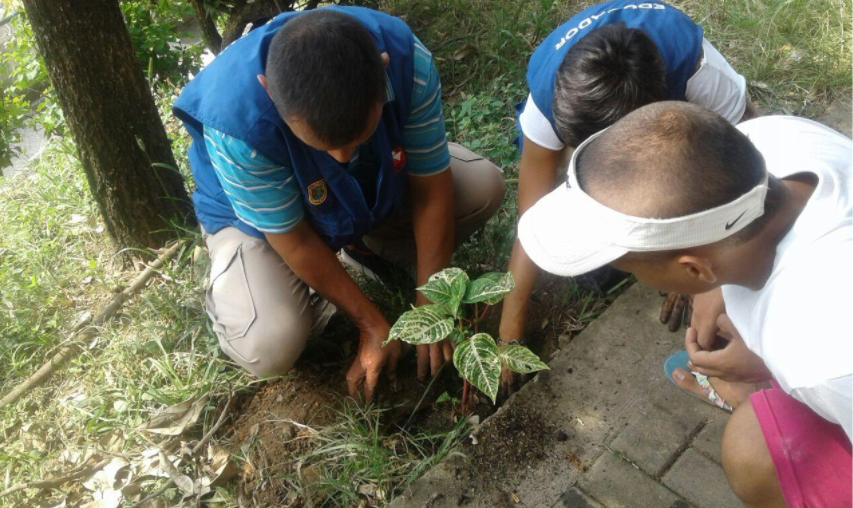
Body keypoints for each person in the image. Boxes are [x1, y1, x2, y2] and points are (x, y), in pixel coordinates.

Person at [519, 101, 852, 508]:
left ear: (694, 269)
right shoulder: (771, 139)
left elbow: (826, 354)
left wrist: (773, 365)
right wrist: (720, 292)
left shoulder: (820, 355)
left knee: (751, 453)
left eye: (632, 270)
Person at [173, 7, 506, 401]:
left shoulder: (405, 60)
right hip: (260, 222)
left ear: (381, 72)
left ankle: (365, 250)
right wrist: (371, 324)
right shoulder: (237, 125)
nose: (340, 158)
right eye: (323, 143)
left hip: (367, 185)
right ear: (267, 89)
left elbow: (432, 189)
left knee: (482, 187)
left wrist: (430, 306)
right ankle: (249, 284)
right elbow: (293, 238)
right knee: (267, 344)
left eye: (356, 136)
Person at [499, 0, 756, 381]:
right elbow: (530, 219)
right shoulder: (549, 103)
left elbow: (750, 162)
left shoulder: (695, 68)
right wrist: (509, 333)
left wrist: (706, 280)